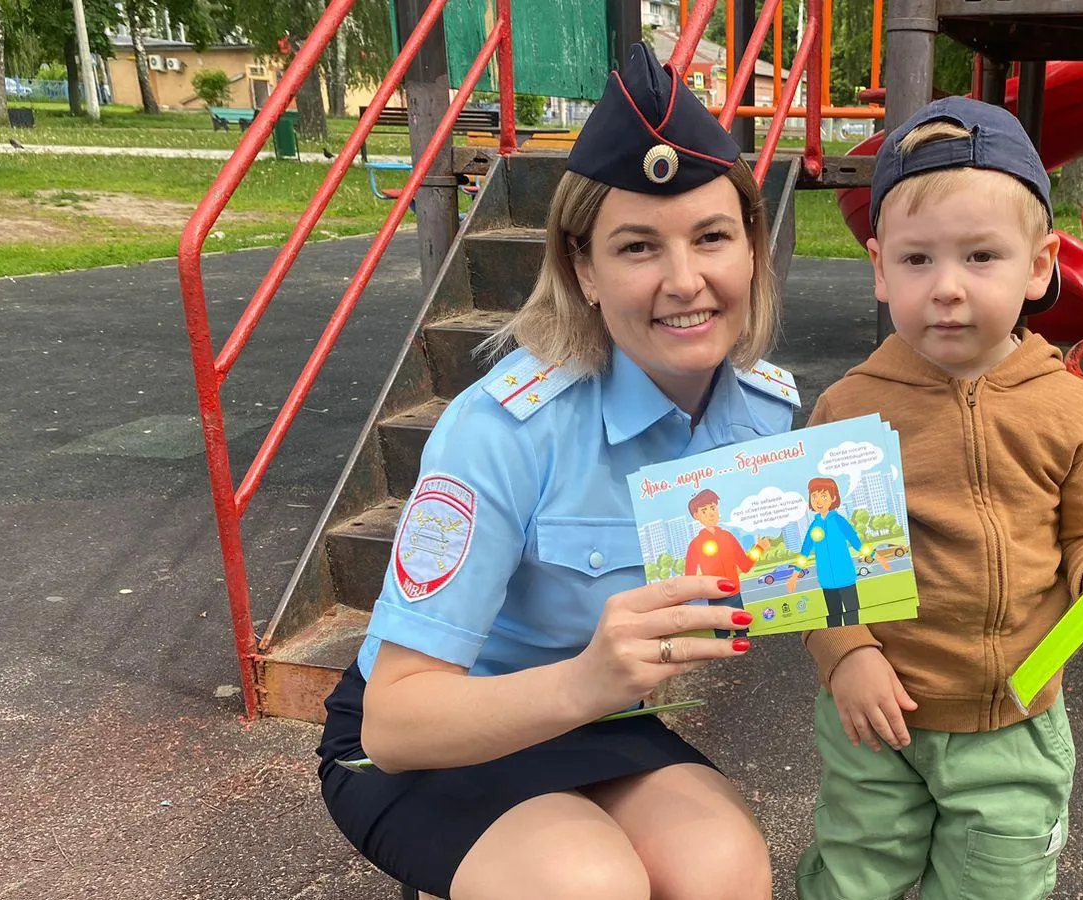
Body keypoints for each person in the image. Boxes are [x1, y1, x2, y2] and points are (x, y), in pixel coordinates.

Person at [315, 42, 798, 900]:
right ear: (584, 268)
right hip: (435, 731)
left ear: (753, 247)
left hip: (599, 715)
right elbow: (396, 721)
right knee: (587, 884)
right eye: (639, 247)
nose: (685, 281)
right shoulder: (499, 430)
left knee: (723, 869)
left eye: (713, 237)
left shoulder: (765, 413)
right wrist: (587, 679)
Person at [794, 97, 1083, 900]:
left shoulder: (1072, 407)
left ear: (1038, 266)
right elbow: (814, 568)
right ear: (880, 268)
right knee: (854, 880)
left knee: (996, 885)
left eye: (981, 257)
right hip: (876, 719)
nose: (948, 288)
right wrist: (846, 657)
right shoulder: (850, 409)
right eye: (918, 261)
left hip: (1014, 720)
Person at [683, 488, 770, 636]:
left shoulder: (728, 537)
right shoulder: (695, 544)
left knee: (744, 636)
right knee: (721, 640)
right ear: (696, 516)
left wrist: (759, 548)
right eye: (704, 510)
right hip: (715, 600)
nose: (711, 513)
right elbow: (689, 578)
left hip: (736, 597)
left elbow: (745, 565)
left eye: (713, 508)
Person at [795, 476, 864, 626]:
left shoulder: (839, 521)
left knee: (852, 615)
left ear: (833, 498)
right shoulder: (814, 525)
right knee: (833, 618)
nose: (818, 501)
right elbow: (805, 550)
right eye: (814, 496)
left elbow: (856, 542)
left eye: (823, 496)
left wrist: (877, 556)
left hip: (846, 577)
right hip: (826, 581)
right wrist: (794, 575)